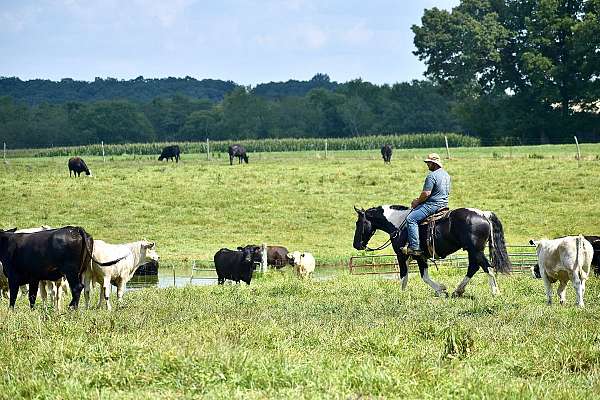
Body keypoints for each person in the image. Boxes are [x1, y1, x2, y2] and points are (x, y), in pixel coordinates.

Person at [402, 153, 451, 256]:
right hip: (444, 204)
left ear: (434, 163)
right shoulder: (446, 175)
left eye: (429, 163)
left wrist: (417, 201)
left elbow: (426, 193)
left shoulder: (432, 176)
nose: (427, 165)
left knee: (411, 219)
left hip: (432, 205)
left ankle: (415, 247)